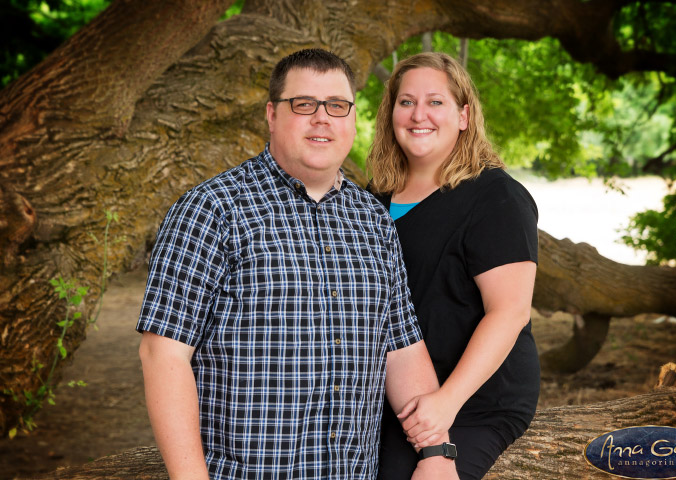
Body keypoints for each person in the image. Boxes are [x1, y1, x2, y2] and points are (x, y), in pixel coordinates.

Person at [136, 49, 453, 479]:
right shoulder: (212, 210)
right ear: (271, 115)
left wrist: (437, 452)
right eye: (304, 104)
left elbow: (401, 348)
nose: (322, 118)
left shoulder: (374, 220)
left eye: (337, 106)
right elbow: (162, 355)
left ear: (352, 118)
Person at [367, 52, 541, 479]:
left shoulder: (495, 197)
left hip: (474, 399)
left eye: (435, 102)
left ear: (464, 115)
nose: (418, 114)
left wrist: (445, 404)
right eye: (405, 102)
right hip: (394, 395)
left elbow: (510, 312)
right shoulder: (373, 199)